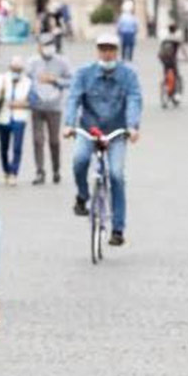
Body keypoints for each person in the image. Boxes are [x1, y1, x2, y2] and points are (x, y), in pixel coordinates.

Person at [63, 33, 142, 247]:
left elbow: (134, 99)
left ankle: (118, 228)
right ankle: (82, 196)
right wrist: (69, 124)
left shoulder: (129, 75)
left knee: (116, 175)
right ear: (97, 51)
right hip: (89, 129)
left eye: (111, 49)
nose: (107, 53)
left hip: (116, 132)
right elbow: (73, 99)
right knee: (79, 160)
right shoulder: (84, 73)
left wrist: (133, 126)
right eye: (103, 49)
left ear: (117, 51)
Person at [26, 32, 71, 185]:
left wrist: (55, 80)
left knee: (54, 141)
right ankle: (40, 171)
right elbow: (26, 81)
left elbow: (71, 81)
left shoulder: (62, 62)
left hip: (54, 106)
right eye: (44, 45)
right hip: (37, 106)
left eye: (50, 45)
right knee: (38, 140)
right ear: (39, 47)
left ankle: (56, 170)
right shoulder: (32, 63)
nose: (47, 48)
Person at [0, 55, 31, 186]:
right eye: (14, 68)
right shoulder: (0, 79)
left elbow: (34, 100)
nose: (16, 72)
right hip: (3, 117)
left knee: (17, 147)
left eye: (18, 69)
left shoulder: (28, 82)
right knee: (4, 147)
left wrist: (21, 104)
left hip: (19, 118)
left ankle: (14, 172)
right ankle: (6, 170)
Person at [157, 24, 188, 105]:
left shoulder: (164, 39)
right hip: (172, 60)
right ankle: (176, 93)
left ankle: (164, 84)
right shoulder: (177, 39)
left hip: (163, 59)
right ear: (175, 30)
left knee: (166, 72)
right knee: (176, 76)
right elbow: (183, 50)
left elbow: (160, 50)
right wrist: (187, 58)